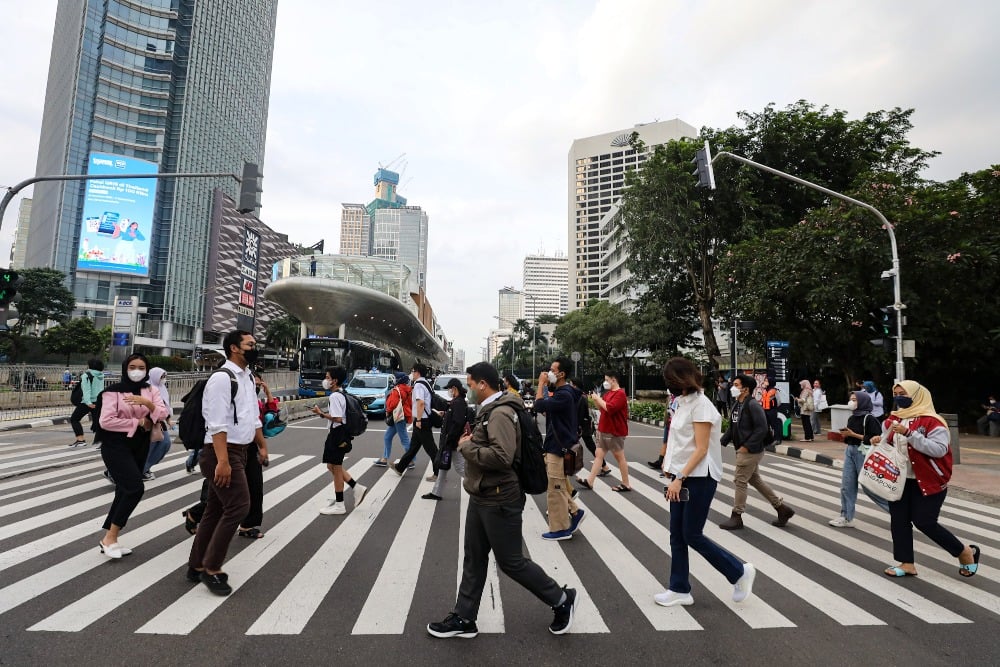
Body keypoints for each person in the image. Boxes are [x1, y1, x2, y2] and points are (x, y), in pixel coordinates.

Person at [427, 362, 577, 638]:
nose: (468, 389)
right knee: (474, 557)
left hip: (499, 497)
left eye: (470, 384)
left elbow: (501, 457)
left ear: (483, 384)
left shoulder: (501, 413)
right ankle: (464, 617)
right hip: (482, 493)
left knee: (511, 562)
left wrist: (467, 446)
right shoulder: (491, 410)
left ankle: (561, 598)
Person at [655, 357, 756, 608]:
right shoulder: (682, 402)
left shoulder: (701, 405)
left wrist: (679, 477)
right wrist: (669, 470)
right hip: (682, 477)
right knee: (677, 535)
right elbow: (680, 443)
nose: (668, 385)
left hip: (699, 478)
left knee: (691, 534)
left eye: (670, 380)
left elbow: (700, 450)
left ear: (681, 380)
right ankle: (679, 589)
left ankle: (738, 572)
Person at [186, 330, 268, 595]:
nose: (255, 348)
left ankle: (196, 565)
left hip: (240, 451)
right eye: (250, 344)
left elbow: (253, 417)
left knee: (215, 509)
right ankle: (212, 568)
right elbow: (217, 423)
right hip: (221, 452)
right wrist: (223, 461)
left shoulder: (247, 378)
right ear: (234, 348)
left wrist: (261, 445)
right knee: (239, 505)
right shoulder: (222, 378)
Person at [874, 380, 980, 579]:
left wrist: (910, 434)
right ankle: (907, 564)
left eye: (903, 393)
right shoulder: (892, 419)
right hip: (900, 479)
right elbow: (888, 442)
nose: (899, 397)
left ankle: (964, 551)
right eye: (896, 393)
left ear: (917, 395)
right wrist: (878, 440)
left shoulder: (933, 421)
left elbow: (939, 449)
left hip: (929, 480)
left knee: (925, 521)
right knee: (899, 521)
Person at [97, 354, 169, 559]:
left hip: (140, 445)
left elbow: (163, 414)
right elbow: (106, 421)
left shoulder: (151, 390)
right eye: (132, 366)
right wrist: (136, 422)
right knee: (135, 488)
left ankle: (109, 538)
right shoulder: (112, 392)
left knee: (124, 490)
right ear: (125, 368)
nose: (136, 370)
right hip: (115, 445)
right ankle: (110, 537)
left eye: (141, 367)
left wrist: (148, 403)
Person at [719, 374, 795, 530]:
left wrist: (746, 447)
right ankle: (782, 509)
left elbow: (762, 428)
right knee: (754, 479)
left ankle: (737, 516)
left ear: (746, 389)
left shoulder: (752, 405)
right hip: (743, 448)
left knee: (740, 481)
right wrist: (720, 441)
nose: (733, 387)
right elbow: (732, 427)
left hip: (750, 450)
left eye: (736, 385)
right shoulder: (736, 404)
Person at [533, 356, 584, 541]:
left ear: (561, 374)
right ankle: (575, 512)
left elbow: (538, 405)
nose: (548, 373)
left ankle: (561, 529)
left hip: (559, 448)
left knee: (554, 489)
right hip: (558, 446)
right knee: (559, 485)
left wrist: (541, 383)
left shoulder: (564, 395)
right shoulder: (566, 392)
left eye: (552, 370)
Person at [312, 366, 367, 515]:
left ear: (335, 381)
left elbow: (337, 418)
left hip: (337, 434)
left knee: (335, 468)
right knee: (331, 466)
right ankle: (356, 488)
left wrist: (321, 414)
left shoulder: (335, 396)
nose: (325, 380)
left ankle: (340, 504)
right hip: (340, 434)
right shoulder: (342, 393)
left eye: (328, 377)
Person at [829, 390, 889, 527]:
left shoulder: (870, 419)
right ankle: (846, 516)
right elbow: (850, 437)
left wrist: (853, 434)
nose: (851, 402)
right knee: (846, 486)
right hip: (850, 451)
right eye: (851, 399)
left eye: (855, 399)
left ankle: (899, 512)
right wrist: (846, 435)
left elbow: (876, 439)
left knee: (870, 487)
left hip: (864, 453)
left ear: (862, 401)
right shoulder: (852, 417)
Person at [578, 371, 630, 492]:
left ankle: (626, 483)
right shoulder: (608, 394)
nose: (605, 382)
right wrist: (596, 400)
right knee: (598, 456)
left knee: (619, 457)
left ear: (613, 380)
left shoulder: (620, 394)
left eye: (607, 380)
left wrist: (598, 399)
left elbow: (610, 408)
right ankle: (590, 481)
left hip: (615, 431)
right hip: (604, 429)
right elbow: (602, 408)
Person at [239, 375, 277, 538]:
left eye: (258, 382)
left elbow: (271, 411)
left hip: (252, 445)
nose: (255, 385)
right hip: (236, 446)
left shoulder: (256, 401)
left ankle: (248, 525)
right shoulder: (240, 397)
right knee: (226, 489)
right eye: (253, 381)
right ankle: (197, 514)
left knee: (255, 485)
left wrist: (267, 391)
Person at [424, 378, 470, 500]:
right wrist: (445, 414)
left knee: (460, 468)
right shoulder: (456, 402)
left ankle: (480, 488)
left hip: (452, 442)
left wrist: (450, 438)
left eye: (449, 389)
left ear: (454, 389)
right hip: (450, 441)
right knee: (443, 466)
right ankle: (436, 493)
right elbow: (454, 418)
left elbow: (458, 422)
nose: (449, 391)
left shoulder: (458, 402)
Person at [393, 363, 439, 479]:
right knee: (413, 447)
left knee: (431, 448)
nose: (412, 374)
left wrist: (418, 420)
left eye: (413, 371)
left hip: (422, 420)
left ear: (417, 372)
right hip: (422, 419)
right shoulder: (426, 382)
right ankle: (400, 467)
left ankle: (438, 473)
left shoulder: (418, 384)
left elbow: (421, 403)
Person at [569, 377, 607, 476]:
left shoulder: (581, 397)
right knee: (590, 446)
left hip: (581, 427)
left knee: (571, 445)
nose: (569, 386)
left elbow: (580, 414)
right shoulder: (581, 396)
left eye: (571, 384)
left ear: (575, 386)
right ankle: (604, 466)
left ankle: (568, 467)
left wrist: (576, 427)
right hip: (583, 426)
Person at [141, 368, 173, 481]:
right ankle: (141, 469)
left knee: (165, 443)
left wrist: (168, 419)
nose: (163, 379)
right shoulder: (147, 388)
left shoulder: (162, 388)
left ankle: (144, 468)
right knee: (148, 447)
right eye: (161, 376)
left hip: (159, 422)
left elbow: (166, 405)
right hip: (148, 422)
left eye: (164, 376)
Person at [69, 358, 105, 447]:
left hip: (87, 402)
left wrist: (88, 402)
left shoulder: (87, 375)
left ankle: (80, 439)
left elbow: (86, 390)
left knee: (74, 419)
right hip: (99, 401)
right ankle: (102, 441)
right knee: (98, 421)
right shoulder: (101, 375)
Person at [379, 376, 412, 467]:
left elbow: (393, 403)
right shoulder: (408, 390)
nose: (394, 380)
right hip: (402, 415)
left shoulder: (397, 390)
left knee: (404, 439)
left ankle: (411, 460)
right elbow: (410, 403)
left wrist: (388, 411)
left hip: (398, 416)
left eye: (395, 378)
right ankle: (384, 458)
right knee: (387, 436)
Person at [760, 377, 782, 444]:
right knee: (765, 425)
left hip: (772, 410)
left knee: (774, 425)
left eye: (766, 381)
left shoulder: (775, 391)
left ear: (770, 382)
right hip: (765, 410)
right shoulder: (764, 390)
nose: (765, 382)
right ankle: (768, 439)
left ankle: (777, 439)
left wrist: (773, 407)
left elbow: (779, 401)